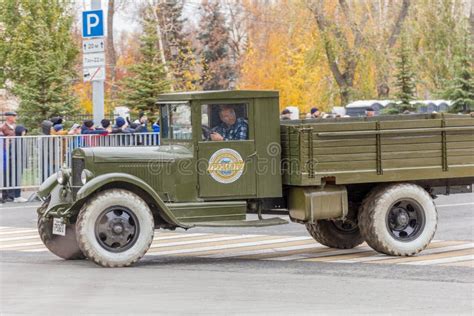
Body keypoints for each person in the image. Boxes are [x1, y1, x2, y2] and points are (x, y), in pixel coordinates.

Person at [1, 112, 17, 203]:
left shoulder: (14, 126)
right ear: (8, 117)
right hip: (5, 152)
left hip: (13, 152)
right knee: (5, 173)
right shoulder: (3, 127)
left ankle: (11, 195)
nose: (15, 117)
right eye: (13, 116)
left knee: (12, 173)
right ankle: (5, 195)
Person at [13, 125, 28, 203]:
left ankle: (16, 195)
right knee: (17, 179)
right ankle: (17, 196)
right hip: (16, 163)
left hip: (20, 162)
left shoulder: (21, 140)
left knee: (18, 179)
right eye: (23, 131)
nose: (24, 133)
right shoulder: (16, 140)